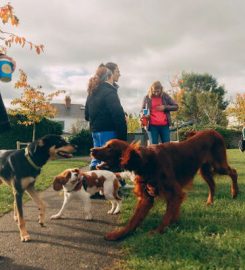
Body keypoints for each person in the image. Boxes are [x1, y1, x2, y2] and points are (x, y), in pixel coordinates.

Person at [85, 64, 127, 170]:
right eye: (117, 71)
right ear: (110, 75)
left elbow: (86, 115)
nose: (119, 74)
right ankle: (114, 183)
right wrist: (122, 139)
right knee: (110, 159)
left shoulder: (92, 91)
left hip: (95, 131)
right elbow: (118, 115)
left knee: (97, 157)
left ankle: (91, 181)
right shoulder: (109, 91)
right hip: (108, 131)